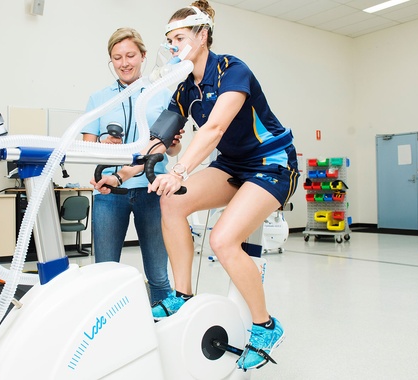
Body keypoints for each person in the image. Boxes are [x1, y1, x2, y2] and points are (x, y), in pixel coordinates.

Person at [147, 0, 299, 371]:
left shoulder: (233, 70)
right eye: (169, 40)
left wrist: (179, 170)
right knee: (172, 202)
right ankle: (181, 295)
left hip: (271, 163)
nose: (173, 47)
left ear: (202, 36)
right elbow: (164, 135)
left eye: (179, 38)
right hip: (232, 166)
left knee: (222, 240)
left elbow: (214, 129)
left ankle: (266, 325)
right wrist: (138, 162)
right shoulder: (184, 88)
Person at [82, 27, 182, 305]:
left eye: (130, 55)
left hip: (151, 190)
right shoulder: (99, 99)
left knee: (158, 275)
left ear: (143, 56)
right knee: (104, 272)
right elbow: (88, 147)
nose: (124, 63)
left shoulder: (161, 95)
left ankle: (163, 323)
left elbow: (173, 149)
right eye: (117, 57)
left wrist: (172, 141)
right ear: (111, 61)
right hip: (109, 194)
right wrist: (105, 142)